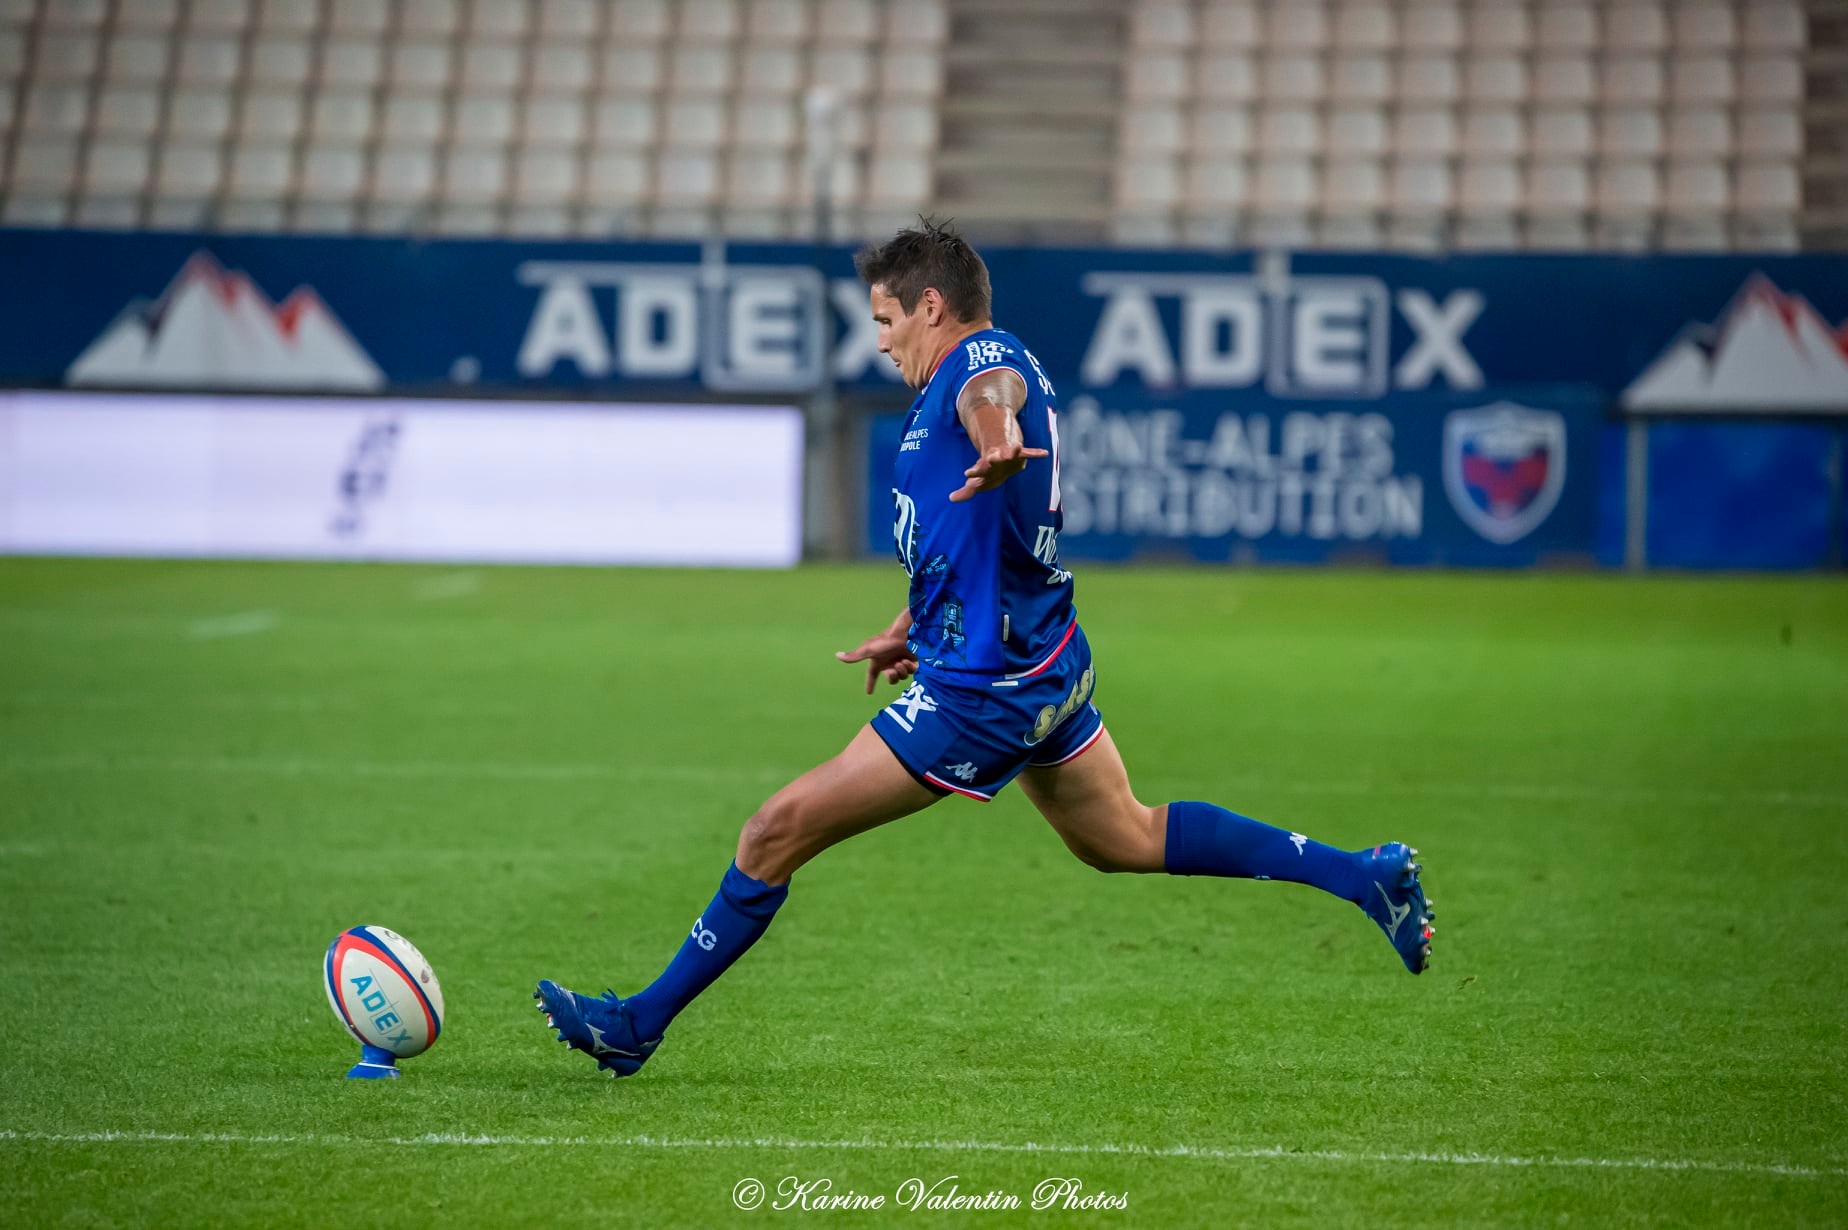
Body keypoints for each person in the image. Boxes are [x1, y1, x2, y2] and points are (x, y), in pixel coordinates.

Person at [535, 221, 1433, 1076]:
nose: (881, 342)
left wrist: (1000, 437)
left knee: (774, 831)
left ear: (932, 304)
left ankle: (637, 1025)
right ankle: (1364, 877)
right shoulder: (952, 383)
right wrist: (912, 623)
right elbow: (961, 532)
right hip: (1042, 658)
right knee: (1123, 835)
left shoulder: (979, 362)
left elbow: (990, 399)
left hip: (985, 689)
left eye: (886, 320)